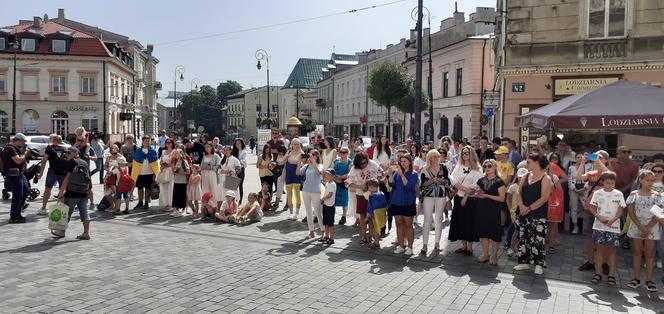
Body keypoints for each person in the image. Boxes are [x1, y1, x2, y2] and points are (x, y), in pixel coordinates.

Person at [514, 154, 553, 275]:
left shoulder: (546, 178)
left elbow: (544, 198)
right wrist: (521, 204)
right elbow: (518, 191)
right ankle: (523, 262)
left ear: (537, 162)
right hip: (522, 211)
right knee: (523, 237)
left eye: (529, 161)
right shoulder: (525, 176)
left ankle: (539, 264)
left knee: (538, 239)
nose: (527, 163)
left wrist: (529, 208)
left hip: (538, 213)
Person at [626, 170, 661, 292]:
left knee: (650, 254)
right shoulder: (634, 194)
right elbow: (630, 212)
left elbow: (659, 214)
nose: (650, 183)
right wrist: (641, 227)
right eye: (647, 180)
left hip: (652, 228)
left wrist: (647, 227)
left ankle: (650, 280)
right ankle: (636, 279)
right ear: (640, 180)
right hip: (637, 227)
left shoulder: (657, 195)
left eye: (652, 180)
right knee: (637, 253)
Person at [588, 172, 625, 286]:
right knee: (599, 250)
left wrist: (613, 220)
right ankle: (598, 273)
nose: (610, 185)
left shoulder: (618, 194)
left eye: (612, 183)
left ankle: (611, 275)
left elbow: (621, 209)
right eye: (608, 183)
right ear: (602, 182)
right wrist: (599, 217)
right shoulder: (597, 193)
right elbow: (592, 207)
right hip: (599, 225)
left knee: (612, 251)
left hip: (613, 226)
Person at [448, 146, 484, 256]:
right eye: (463, 153)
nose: (464, 155)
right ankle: (463, 245)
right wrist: (462, 189)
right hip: (459, 197)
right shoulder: (458, 167)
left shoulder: (477, 168)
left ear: (471, 154)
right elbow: (452, 178)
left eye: (467, 153)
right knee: (460, 222)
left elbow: (477, 184)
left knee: (469, 222)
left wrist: (466, 196)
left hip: (471, 199)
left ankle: (469, 247)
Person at [54, 146, 92, 240]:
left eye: (68, 153)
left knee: (67, 212)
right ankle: (86, 233)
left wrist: (61, 191)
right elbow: (89, 179)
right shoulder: (85, 162)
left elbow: (67, 178)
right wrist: (89, 192)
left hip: (72, 192)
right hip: (83, 192)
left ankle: (61, 232)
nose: (67, 155)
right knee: (84, 212)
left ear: (75, 153)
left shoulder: (72, 162)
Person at [475, 159, 507, 266]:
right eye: (485, 166)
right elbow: (478, 192)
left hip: (493, 211)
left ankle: (494, 256)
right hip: (482, 210)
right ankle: (485, 255)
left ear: (494, 167)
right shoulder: (481, 180)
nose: (487, 168)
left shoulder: (499, 181)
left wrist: (486, 195)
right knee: (484, 234)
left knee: (494, 234)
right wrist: (478, 193)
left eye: (489, 166)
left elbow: (502, 199)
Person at [347, 152, 382, 244]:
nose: (364, 165)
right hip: (361, 194)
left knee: (372, 215)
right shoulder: (354, 169)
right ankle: (363, 235)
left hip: (373, 195)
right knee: (362, 215)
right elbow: (347, 182)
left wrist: (374, 184)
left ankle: (370, 235)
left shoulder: (372, 164)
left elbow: (381, 173)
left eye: (365, 162)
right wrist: (360, 186)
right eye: (361, 164)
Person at [419, 150, 450, 254]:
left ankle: (437, 243)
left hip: (441, 195)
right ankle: (424, 245)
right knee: (427, 218)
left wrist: (443, 181)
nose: (437, 158)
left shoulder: (444, 168)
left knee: (439, 218)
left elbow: (448, 181)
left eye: (438, 156)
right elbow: (422, 185)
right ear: (430, 158)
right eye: (435, 157)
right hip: (428, 196)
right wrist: (432, 181)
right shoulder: (425, 169)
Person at [387, 154, 418, 255]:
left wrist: (401, 175)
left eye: (405, 161)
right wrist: (390, 174)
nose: (403, 163)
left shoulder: (413, 174)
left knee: (408, 225)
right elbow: (391, 184)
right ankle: (401, 245)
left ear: (409, 162)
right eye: (402, 161)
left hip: (408, 202)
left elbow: (408, 186)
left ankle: (410, 247)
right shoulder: (396, 173)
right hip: (396, 202)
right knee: (398, 224)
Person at [3, 133, 31, 223]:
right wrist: (25, 154)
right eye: (23, 141)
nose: (24, 143)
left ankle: (17, 212)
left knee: (25, 192)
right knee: (17, 195)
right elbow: (18, 160)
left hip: (20, 174)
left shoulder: (16, 148)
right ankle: (14, 216)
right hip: (14, 175)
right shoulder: (10, 149)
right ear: (18, 140)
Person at [297, 149, 324, 239]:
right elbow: (298, 173)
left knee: (317, 212)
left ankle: (323, 230)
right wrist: (298, 161)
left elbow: (317, 172)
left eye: (312, 155)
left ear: (316, 156)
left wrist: (313, 161)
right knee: (308, 211)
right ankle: (311, 231)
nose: (310, 156)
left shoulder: (320, 165)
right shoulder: (306, 166)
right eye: (309, 155)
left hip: (315, 191)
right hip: (306, 190)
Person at [38, 135, 68, 215]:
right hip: (63, 172)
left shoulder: (49, 148)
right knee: (62, 190)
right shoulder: (65, 148)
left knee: (48, 189)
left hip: (52, 171)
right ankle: (62, 209)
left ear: (53, 140)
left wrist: (41, 173)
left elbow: (44, 160)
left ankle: (44, 207)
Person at [131, 135, 161, 210]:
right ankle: (140, 202)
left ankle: (146, 202)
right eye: (146, 141)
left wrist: (155, 173)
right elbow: (135, 162)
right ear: (143, 142)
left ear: (150, 141)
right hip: (140, 173)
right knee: (140, 188)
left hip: (149, 173)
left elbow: (156, 164)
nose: (147, 142)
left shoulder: (153, 151)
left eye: (149, 141)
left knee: (148, 189)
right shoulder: (138, 151)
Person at [568, 153, 592, 234]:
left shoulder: (588, 166)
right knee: (573, 207)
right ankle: (575, 227)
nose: (579, 159)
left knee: (586, 208)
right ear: (575, 158)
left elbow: (589, 179)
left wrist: (584, 188)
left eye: (581, 157)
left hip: (585, 189)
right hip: (574, 189)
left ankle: (585, 228)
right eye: (578, 157)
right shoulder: (571, 167)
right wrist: (575, 189)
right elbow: (570, 180)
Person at [281, 139, 304, 220]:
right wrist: (286, 157)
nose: (296, 146)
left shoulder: (302, 153)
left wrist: (300, 163)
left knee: (297, 195)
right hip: (289, 175)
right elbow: (281, 161)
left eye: (298, 144)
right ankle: (291, 213)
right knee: (289, 195)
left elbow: (303, 165)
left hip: (297, 175)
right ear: (291, 145)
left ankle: (296, 213)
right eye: (295, 144)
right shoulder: (289, 152)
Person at [74, 133, 97, 209]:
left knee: (88, 187)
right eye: (78, 140)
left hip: (85, 170)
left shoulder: (88, 148)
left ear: (85, 140)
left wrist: (89, 156)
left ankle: (92, 203)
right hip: (76, 170)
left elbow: (95, 158)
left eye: (82, 140)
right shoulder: (75, 147)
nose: (80, 141)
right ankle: (79, 203)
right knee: (77, 187)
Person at [200, 142, 221, 217]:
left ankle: (214, 208)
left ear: (212, 147)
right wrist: (203, 167)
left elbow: (219, 166)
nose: (207, 148)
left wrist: (211, 167)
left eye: (208, 146)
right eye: (206, 147)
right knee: (205, 191)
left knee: (213, 191)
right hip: (205, 174)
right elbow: (201, 164)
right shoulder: (204, 155)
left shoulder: (216, 156)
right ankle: (205, 209)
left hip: (212, 175)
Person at [366, 179, 388, 249]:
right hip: (381, 215)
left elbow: (370, 208)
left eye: (368, 187)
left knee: (375, 229)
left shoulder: (371, 196)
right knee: (378, 229)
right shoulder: (382, 193)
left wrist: (367, 216)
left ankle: (376, 243)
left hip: (374, 216)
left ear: (371, 187)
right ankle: (376, 241)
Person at [333, 147, 353, 225]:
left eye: (344, 152)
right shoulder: (336, 161)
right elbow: (332, 171)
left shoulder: (349, 162)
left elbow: (350, 173)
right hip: (335, 182)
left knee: (344, 200)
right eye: (341, 152)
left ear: (348, 153)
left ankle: (344, 216)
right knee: (333, 199)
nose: (342, 154)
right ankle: (332, 215)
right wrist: (335, 178)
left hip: (344, 183)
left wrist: (341, 178)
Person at [170, 149, 190, 217]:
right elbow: (173, 170)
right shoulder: (175, 161)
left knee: (182, 196)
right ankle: (176, 209)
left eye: (177, 153)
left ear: (181, 154)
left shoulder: (184, 162)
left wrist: (180, 172)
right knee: (176, 195)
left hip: (182, 181)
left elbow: (188, 171)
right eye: (175, 153)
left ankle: (184, 209)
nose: (175, 155)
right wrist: (174, 171)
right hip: (176, 180)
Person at [158, 139, 175, 213]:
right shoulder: (163, 151)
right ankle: (164, 204)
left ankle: (170, 204)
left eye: (169, 142)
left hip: (170, 171)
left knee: (170, 187)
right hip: (163, 170)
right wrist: (161, 165)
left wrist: (168, 165)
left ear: (172, 143)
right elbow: (160, 160)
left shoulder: (174, 152)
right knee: (163, 188)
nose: (167, 144)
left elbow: (174, 162)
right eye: (166, 142)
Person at [321, 169, 337, 245]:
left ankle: (331, 238)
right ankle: (326, 237)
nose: (326, 176)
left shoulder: (332, 184)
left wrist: (323, 199)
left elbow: (330, 194)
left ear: (333, 176)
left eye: (328, 174)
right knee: (325, 222)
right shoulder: (328, 183)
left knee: (330, 223)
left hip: (330, 206)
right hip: (326, 205)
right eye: (326, 174)